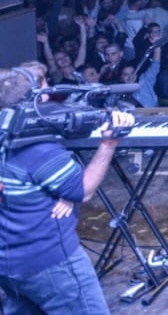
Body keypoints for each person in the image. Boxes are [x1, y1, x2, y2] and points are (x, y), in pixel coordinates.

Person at [0, 68, 134, 314]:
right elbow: (83, 191)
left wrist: (52, 192)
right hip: (51, 265)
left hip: (9, 267)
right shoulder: (38, 152)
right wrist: (109, 142)